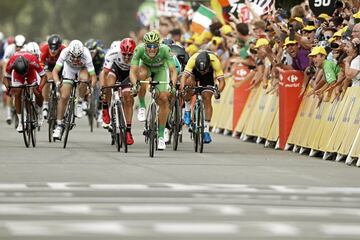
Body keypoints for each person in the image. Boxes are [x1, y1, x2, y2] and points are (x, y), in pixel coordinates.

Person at [129, 31, 177, 150]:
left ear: (158, 45)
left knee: (164, 99)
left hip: (161, 70)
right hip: (146, 68)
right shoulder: (139, 50)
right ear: (144, 45)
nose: (151, 49)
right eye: (149, 46)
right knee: (141, 76)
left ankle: (160, 136)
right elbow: (132, 71)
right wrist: (135, 85)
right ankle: (142, 106)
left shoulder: (165, 50)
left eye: (154, 46)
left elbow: (173, 71)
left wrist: (172, 85)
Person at [52, 40, 96, 140]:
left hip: (82, 68)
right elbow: (55, 71)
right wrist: (58, 83)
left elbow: (93, 76)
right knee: (64, 96)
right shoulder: (65, 52)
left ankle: (79, 102)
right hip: (69, 69)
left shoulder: (86, 55)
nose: (76, 59)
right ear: (70, 53)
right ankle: (59, 126)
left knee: (84, 80)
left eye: (78, 56)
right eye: (73, 56)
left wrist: (91, 88)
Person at [180, 51, 225, 144]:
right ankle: (187, 110)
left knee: (207, 98)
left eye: (204, 70)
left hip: (208, 77)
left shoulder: (215, 61)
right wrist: (183, 89)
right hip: (193, 74)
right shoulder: (192, 60)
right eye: (201, 70)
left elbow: (222, 82)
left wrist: (217, 91)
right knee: (189, 85)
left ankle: (206, 130)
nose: (202, 72)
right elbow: (184, 77)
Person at [101, 38, 136, 145]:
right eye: (124, 54)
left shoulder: (137, 56)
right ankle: (105, 107)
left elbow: (138, 74)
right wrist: (103, 88)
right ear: (120, 51)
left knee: (128, 98)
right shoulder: (113, 53)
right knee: (109, 85)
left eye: (129, 55)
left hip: (129, 74)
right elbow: (104, 73)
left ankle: (128, 131)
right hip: (116, 70)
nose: (126, 57)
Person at [3, 52, 47, 132]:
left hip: (31, 73)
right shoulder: (11, 62)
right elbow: (5, 78)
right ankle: (21, 121)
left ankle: (40, 112)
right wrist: (8, 87)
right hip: (17, 75)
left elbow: (44, 76)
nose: (24, 74)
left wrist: (40, 88)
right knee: (17, 93)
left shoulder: (33, 61)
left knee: (36, 92)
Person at [40, 34, 66, 119]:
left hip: (61, 67)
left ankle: (63, 107)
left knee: (64, 84)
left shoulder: (64, 49)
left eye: (56, 49)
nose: (53, 51)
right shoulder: (44, 48)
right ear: (48, 46)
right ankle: (45, 103)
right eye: (51, 48)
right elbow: (41, 63)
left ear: (60, 47)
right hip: (49, 67)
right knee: (47, 80)